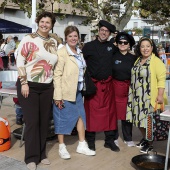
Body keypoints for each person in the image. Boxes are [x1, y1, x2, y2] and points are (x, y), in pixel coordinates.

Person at [16, 11, 58, 170]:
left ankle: (42, 154)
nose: (45, 25)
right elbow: (19, 60)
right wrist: (24, 82)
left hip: (47, 86)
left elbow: (54, 64)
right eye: (42, 22)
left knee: (44, 122)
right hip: (29, 85)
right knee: (32, 122)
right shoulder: (29, 38)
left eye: (48, 22)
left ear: (52, 25)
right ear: (38, 22)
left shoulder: (53, 42)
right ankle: (31, 158)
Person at [53, 25, 95, 160]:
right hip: (65, 91)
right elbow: (57, 75)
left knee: (81, 117)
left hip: (77, 91)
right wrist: (58, 96)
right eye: (70, 36)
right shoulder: (62, 52)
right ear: (66, 38)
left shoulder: (79, 51)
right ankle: (61, 146)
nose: (73, 38)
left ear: (78, 37)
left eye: (75, 36)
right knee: (62, 119)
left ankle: (82, 145)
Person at [82, 20, 120, 152]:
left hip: (108, 85)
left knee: (110, 114)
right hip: (93, 86)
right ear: (98, 31)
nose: (104, 33)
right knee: (90, 114)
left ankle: (109, 141)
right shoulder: (88, 46)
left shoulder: (113, 47)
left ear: (109, 34)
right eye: (102, 30)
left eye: (107, 31)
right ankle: (90, 141)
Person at [126, 37, 167, 153]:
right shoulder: (138, 60)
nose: (145, 49)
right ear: (139, 48)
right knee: (138, 121)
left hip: (149, 97)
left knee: (148, 122)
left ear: (152, 48)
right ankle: (145, 139)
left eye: (147, 46)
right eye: (142, 46)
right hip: (137, 97)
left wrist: (160, 95)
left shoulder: (156, 61)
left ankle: (150, 144)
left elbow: (161, 79)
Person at [112, 32, 136, 147]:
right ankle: (114, 136)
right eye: (120, 42)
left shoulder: (134, 58)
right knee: (114, 114)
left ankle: (128, 137)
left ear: (129, 44)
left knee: (127, 114)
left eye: (125, 42)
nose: (122, 44)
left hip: (128, 89)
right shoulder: (112, 56)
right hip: (115, 87)